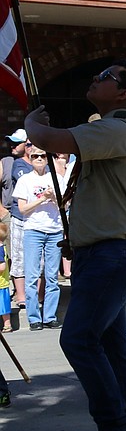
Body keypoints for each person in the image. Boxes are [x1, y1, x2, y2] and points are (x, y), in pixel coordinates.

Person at [25, 60, 126, 431]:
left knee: (78, 340)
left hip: (113, 254)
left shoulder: (119, 127)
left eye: (107, 77)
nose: (96, 78)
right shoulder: (110, 127)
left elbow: (48, 138)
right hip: (106, 251)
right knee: (112, 349)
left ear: (123, 94)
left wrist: (32, 122)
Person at [13, 144, 67, 331]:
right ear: (30, 157)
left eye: (42, 156)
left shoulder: (57, 178)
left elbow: (65, 205)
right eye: (35, 156)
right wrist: (42, 199)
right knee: (32, 275)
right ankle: (34, 317)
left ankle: (50, 316)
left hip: (54, 230)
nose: (39, 159)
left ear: (48, 158)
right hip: (33, 230)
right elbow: (22, 209)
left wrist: (53, 198)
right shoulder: (25, 181)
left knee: (52, 276)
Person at [2, 128, 34, 311]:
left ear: (27, 145)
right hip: (11, 214)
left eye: (17, 143)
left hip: (34, 215)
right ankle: (17, 294)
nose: (12, 146)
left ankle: (35, 295)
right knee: (12, 257)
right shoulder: (6, 162)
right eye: (11, 143)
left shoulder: (38, 161)